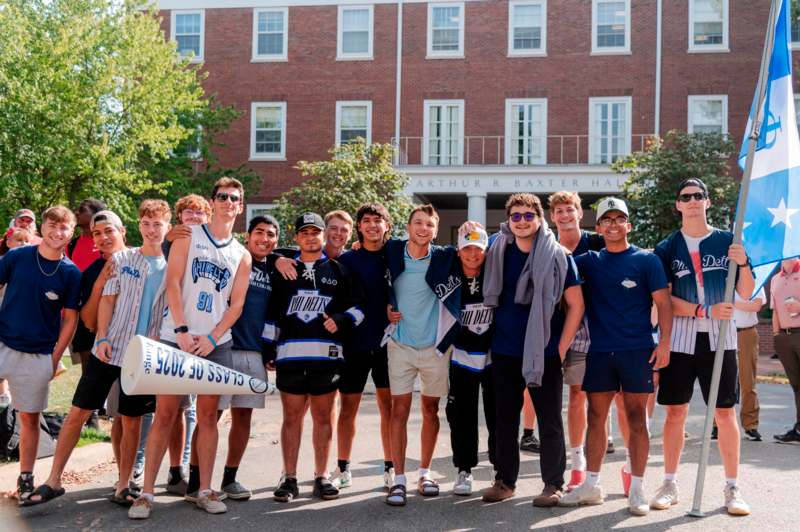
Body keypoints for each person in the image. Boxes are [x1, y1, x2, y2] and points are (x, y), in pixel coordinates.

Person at [24, 202, 171, 507]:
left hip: (142, 358)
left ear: (123, 231)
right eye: (96, 233)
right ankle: (53, 480)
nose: (103, 237)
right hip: (109, 350)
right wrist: (102, 337)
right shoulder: (118, 262)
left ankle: (123, 483)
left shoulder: (171, 264)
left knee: (131, 420)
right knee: (78, 413)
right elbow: (102, 306)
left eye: (109, 231)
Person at [129, 178, 251, 519]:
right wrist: (182, 330)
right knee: (165, 414)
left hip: (215, 343)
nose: (229, 202)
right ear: (214, 202)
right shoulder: (186, 235)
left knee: (210, 417)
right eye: (223, 197)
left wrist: (212, 337)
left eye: (235, 199)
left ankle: (205, 489)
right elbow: (172, 282)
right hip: (176, 337)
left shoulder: (241, 254)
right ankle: (147, 494)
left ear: (240, 206)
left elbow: (236, 305)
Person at [558, 197, 672, 516]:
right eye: (606, 220)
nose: (612, 224)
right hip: (599, 351)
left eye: (618, 218)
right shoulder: (590, 260)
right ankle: (591, 484)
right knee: (595, 417)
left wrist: (664, 344)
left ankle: (637, 487)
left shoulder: (646, 261)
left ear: (628, 225)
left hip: (637, 351)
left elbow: (663, 304)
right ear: (598, 228)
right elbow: (558, 261)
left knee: (637, 419)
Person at [651, 178, 754, 516]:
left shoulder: (728, 241)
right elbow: (664, 300)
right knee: (676, 412)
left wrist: (743, 262)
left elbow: (747, 291)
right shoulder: (666, 248)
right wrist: (702, 309)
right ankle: (669, 482)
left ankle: (732, 487)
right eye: (686, 197)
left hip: (720, 338)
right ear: (678, 204)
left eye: (699, 196)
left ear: (708, 202)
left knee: (724, 413)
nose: (693, 201)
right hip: (681, 339)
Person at [480, 193, 580, 507]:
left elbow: (576, 305)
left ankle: (553, 484)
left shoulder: (558, 255)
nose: (522, 221)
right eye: (516, 216)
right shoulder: (496, 250)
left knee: (549, 420)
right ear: (509, 220)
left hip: (544, 350)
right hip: (506, 349)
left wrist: (560, 348)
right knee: (505, 420)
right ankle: (505, 481)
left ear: (539, 219)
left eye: (528, 215)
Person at [266, 212, 363, 503]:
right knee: (292, 418)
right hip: (290, 356)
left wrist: (341, 320)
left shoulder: (339, 270)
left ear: (323, 236)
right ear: (296, 238)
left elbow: (360, 308)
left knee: (323, 418)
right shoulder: (283, 269)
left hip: (326, 357)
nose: (310, 237)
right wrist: (268, 349)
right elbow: (272, 313)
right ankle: (290, 477)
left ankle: (321, 477)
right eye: (304, 232)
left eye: (315, 232)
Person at [0, 206, 81, 502]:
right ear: (42, 227)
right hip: (3, 343)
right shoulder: (17, 257)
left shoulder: (71, 273)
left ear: (71, 233)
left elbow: (70, 319)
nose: (57, 232)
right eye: (52, 225)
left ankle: (25, 478)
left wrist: (54, 358)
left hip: (38, 355)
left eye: (64, 228)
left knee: (29, 420)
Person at [133, 194, 211, 493]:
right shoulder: (172, 243)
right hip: (171, 335)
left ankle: (186, 470)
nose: (193, 217)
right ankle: (159, 478)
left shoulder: (215, 246)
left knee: (194, 409)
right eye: (187, 213)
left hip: (204, 337)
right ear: (179, 219)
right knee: (169, 409)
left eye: (199, 212)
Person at [384, 205, 461, 506]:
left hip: (434, 346)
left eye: (429, 224)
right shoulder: (391, 251)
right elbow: (362, 249)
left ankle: (424, 473)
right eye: (418, 222)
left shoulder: (444, 256)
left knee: (431, 411)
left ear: (435, 230)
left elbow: (478, 252)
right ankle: (399, 479)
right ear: (408, 226)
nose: (423, 228)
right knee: (398, 411)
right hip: (400, 344)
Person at [330, 204, 395, 490]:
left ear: (386, 225)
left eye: (377, 220)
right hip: (355, 343)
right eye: (366, 221)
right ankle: (343, 467)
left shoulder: (396, 255)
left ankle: (391, 466)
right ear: (359, 227)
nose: (371, 225)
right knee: (348, 410)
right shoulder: (348, 259)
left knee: (388, 409)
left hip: (388, 343)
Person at [216, 215, 280, 500]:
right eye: (259, 232)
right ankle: (195, 479)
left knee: (243, 417)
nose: (264, 239)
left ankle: (230, 478)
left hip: (253, 353)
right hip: (222, 348)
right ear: (247, 235)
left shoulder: (273, 269)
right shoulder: (232, 259)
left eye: (271, 235)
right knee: (210, 415)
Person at [445, 226, 496, 496]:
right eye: (467, 248)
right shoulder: (450, 277)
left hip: (492, 357)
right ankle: (464, 469)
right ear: (458, 251)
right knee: (462, 416)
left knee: (497, 414)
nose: (473, 254)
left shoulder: (494, 275)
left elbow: (509, 237)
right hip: (462, 357)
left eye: (479, 248)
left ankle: (501, 469)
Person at [770, 258, 800, 443]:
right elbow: (774, 310)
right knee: (796, 386)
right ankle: (798, 429)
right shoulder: (775, 279)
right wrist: (775, 335)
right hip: (783, 337)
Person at [734, 286, 765, 441]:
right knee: (721, 379)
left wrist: (730, 301)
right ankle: (716, 424)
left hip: (747, 332)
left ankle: (750, 425)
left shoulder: (755, 279)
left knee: (748, 381)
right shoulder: (721, 275)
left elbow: (756, 305)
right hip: (724, 331)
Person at [67, 199, 106, 272]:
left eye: (82, 210)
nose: (76, 213)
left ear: (96, 215)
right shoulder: (71, 245)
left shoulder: (106, 244)